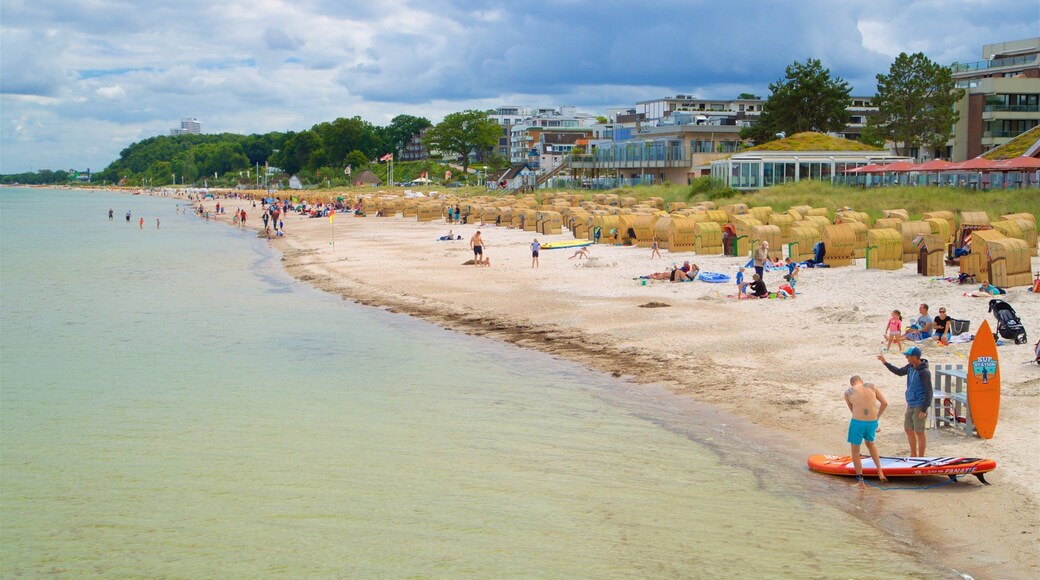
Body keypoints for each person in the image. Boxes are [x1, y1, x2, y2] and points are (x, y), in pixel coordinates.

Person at [878, 346, 931, 457]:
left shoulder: (924, 372)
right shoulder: (910, 367)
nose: (906, 357)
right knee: (908, 429)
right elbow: (899, 372)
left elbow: (929, 391)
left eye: (908, 356)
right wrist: (885, 362)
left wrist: (924, 409)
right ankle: (913, 454)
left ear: (915, 357)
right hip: (910, 403)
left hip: (920, 404)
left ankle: (921, 457)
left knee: (919, 431)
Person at [844, 375, 888, 488]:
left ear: (852, 384)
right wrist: (876, 419)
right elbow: (885, 403)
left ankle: (861, 482)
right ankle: (880, 472)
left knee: (855, 452)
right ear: (862, 381)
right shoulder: (872, 386)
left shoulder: (848, 392)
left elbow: (853, 411)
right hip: (872, 422)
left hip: (857, 422)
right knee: (870, 444)